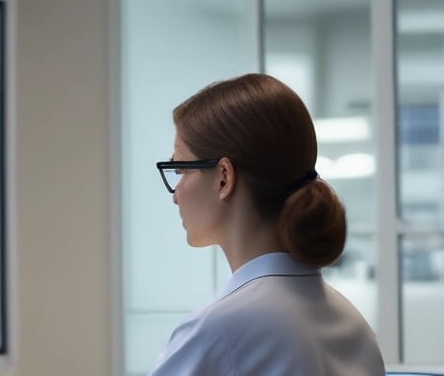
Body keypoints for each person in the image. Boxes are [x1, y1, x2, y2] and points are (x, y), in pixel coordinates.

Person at [150, 73, 385, 375]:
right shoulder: (354, 324)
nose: (176, 194)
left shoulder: (219, 329)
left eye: (181, 168)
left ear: (224, 177)